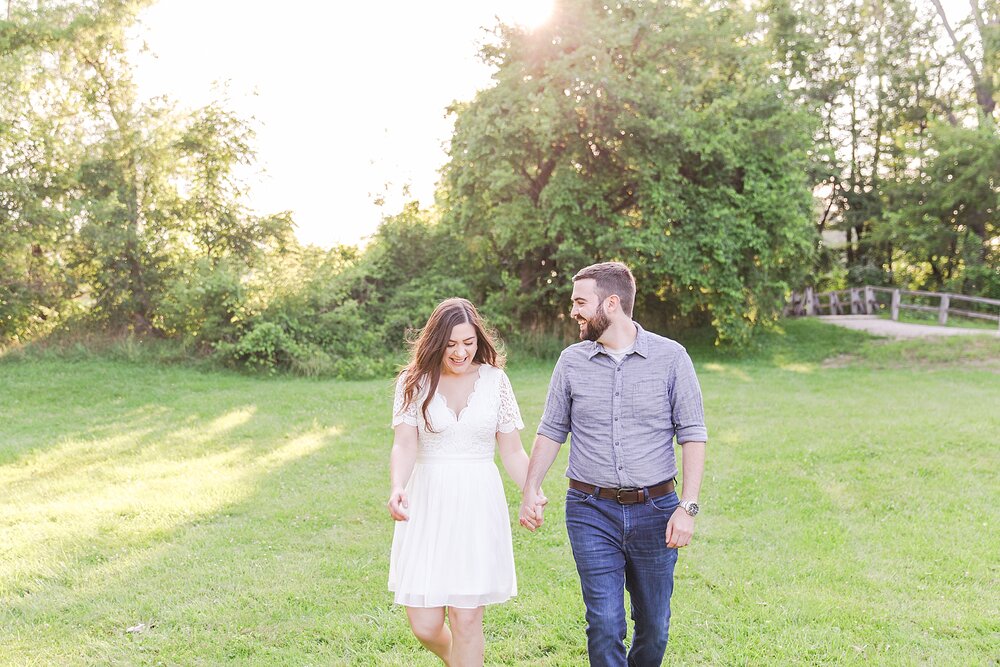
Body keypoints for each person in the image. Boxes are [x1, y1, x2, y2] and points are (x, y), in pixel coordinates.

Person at [518, 262, 708, 667]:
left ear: (612, 302)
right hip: (590, 509)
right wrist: (530, 487)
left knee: (654, 625)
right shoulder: (571, 362)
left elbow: (692, 433)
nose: (573, 311)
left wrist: (687, 507)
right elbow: (552, 428)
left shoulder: (672, 358)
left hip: (656, 511)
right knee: (604, 623)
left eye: (580, 302)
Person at [387, 297, 536, 666]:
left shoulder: (495, 381)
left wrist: (531, 491)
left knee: (467, 618)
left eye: (468, 342)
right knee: (424, 623)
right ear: (436, 341)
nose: (461, 352)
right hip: (427, 502)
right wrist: (397, 486)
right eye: (451, 344)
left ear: (478, 340)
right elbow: (404, 444)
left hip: (477, 501)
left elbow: (513, 451)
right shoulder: (414, 381)